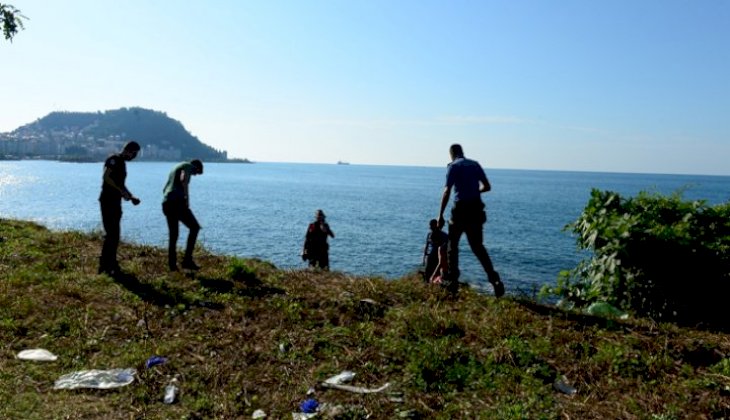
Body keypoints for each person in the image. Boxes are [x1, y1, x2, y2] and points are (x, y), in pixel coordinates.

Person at [437, 144, 504, 297]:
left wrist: (440, 214)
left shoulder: (453, 166)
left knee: (452, 246)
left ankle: (452, 283)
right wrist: (475, 191)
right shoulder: (475, 164)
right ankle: (495, 281)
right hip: (476, 209)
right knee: (478, 247)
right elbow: (487, 187)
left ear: (451, 154)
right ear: (462, 152)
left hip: (460, 210)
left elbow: (447, 191)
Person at [98, 141, 141, 276]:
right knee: (112, 234)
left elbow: (120, 184)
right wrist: (120, 191)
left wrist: (130, 196)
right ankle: (106, 265)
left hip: (115, 202)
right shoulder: (114, 160)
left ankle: (109, 263)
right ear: (128, 150)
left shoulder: (122, 164)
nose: (134, 157)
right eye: (134, 154)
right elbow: (106, 177)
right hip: (108, 200)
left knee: (114, 234)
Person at [162, 159, 204, 271]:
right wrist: (186, 199)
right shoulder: (187, 166)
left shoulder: (175, 168)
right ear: (196, 167)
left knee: (173, 235)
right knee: (195, 228)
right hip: (177, 202)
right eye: (196, 173)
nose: (194, 175)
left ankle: (172, 265)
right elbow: (183, 180)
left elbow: (164, 189)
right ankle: (187, 261)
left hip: (166, 202)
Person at [422, 218, 448, 283]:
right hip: (430, 257)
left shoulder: (443, 235)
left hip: (438, 257)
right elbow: (427, 245)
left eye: (431, 225)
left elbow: (447, 246)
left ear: (436, 225)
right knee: (427, 272)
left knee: (436, 273)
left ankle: (434, 284)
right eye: (430, 225)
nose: (430, 227)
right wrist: (424, 257)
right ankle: (427, 284)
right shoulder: (429, 234)